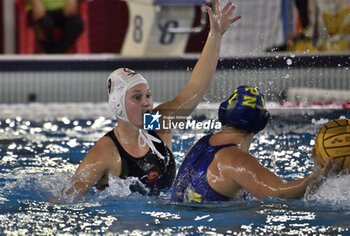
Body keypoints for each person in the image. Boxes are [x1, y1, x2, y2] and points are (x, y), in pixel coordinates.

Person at [54, 0, 241, 201]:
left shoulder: (158, 123)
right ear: (118, 105)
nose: (147, 103)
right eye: (137, 97)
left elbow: (195, 89)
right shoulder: (106, 152)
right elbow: (63, 201)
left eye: (148, 95)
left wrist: (215, 35)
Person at [171, 85, 340, 203]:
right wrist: (318, 176)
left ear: (223, 113)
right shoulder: (239, 161)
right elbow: (280, 193)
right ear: (262, 123)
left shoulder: (199, 144)